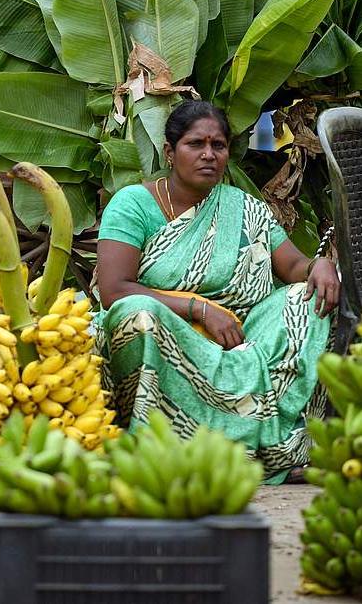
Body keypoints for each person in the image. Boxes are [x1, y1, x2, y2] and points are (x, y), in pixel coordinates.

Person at [95, 100, 340, 484]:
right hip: (168, 332)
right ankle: (165, 451)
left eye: (219, 145)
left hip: (242, 335)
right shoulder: (133, 205)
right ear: (170, 152)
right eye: (196, 144)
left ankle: (268, 446)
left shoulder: (243, 207)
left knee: (306, 299)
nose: (209, 154)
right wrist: (199, 310)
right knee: (137, 312)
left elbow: (292, 267)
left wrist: (319, 265)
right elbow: (114, 289)